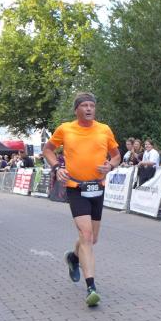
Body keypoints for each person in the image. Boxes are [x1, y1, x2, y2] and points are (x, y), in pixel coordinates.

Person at [42, 92, 121, 307]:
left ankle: (74, 258)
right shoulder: (65, 129)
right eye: (84, 105)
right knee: (85, 235)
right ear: (76, 109)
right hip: (75, 188)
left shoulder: (104, 129)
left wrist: (110, 165)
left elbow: (116, 155)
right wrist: (57, 167)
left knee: (92, 238)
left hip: (97, 187)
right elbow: (47, 150)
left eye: (91, 105)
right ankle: (91, 288)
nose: (88, 109)